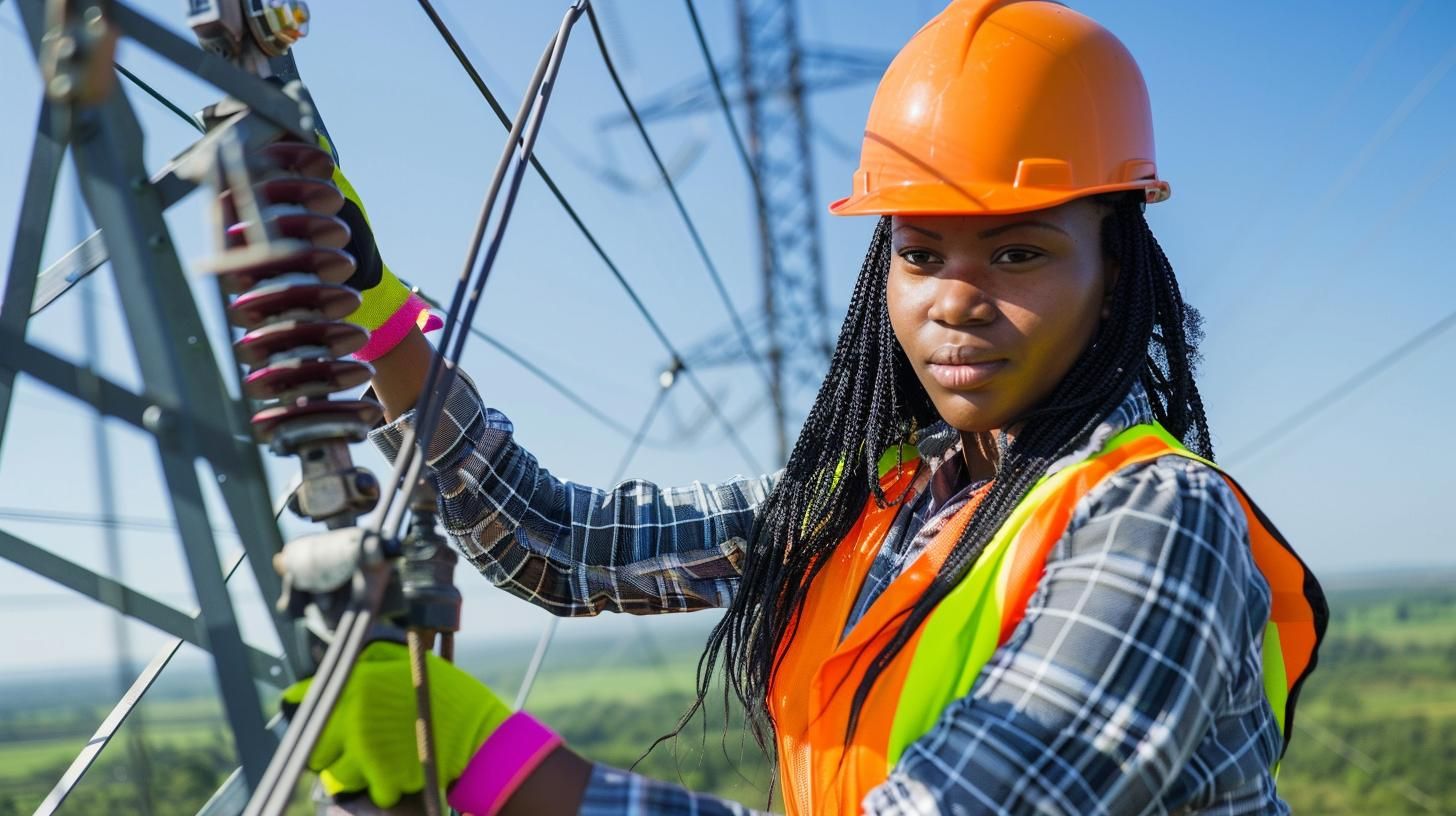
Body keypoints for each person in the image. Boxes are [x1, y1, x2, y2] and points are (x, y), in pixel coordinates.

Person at [278, 1, 1329, 813]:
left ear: (1115, 269)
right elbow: (559, 544)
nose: (955, 300)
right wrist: (378, 329)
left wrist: (502, 772)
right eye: (919, 254)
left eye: (1018, 252)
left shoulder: (1152, 521)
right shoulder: (870, 502)